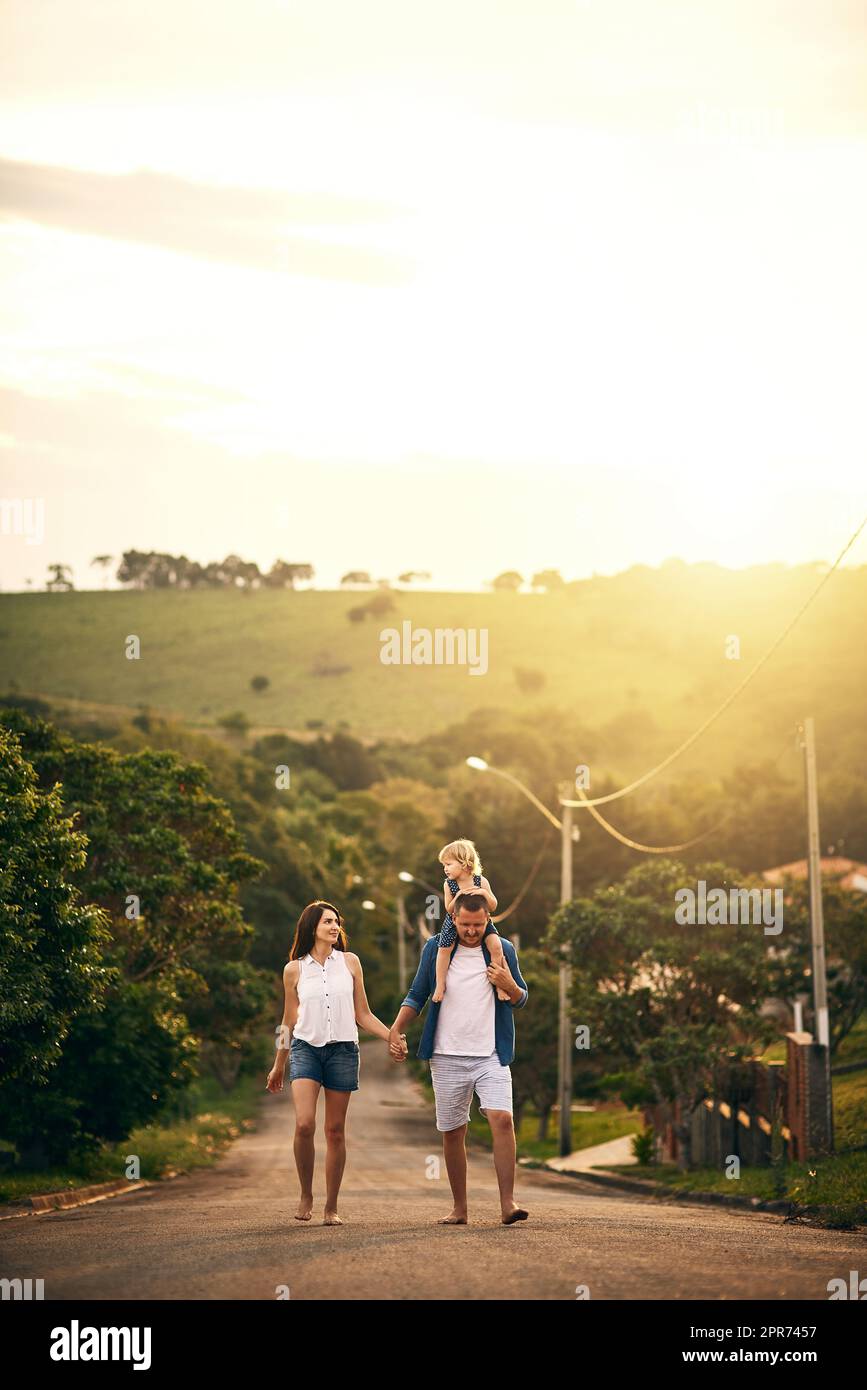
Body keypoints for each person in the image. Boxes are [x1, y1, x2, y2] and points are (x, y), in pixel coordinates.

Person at [389, 892, 529, 1226]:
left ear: (487, 920)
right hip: (446, 1054)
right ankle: (459, 1209)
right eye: (465, 924)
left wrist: (507, 983)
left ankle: (508, 1203)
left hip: (491, 1055)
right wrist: (395, 1030)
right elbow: (417, 994)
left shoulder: (502, 949)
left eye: (478, 925)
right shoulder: (437, 948)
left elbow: (520, 998)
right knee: (453, 1131)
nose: (471, 931)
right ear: (454, 918)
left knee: (503, 1119)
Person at [266, 899, 405, 1225]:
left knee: (335, 1131)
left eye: (336, 922)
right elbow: (287, 1021)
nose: (334, 926)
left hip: (343, 1051)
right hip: (305, 1050)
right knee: (304, 1124)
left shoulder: (351, 963)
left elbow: (363, 1014)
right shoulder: (294, 969)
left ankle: (331, 1206)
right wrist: (278, 1064)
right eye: (328, 921)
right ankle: (305, 1195)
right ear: (312, 926)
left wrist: (392, 1037)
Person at [434, 838, 508, 1002]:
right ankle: (440, 984)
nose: (445, 869)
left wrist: (484, 894)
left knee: (496, 945)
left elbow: (494, 905)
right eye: (444, 865)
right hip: (455, 921)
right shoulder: (449, 884)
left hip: (481, 921)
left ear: (464, 863)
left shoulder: (480, 881)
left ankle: (500, 986)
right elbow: (448, 908)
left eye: (449, 864)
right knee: (444, 948)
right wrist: (458, 896)